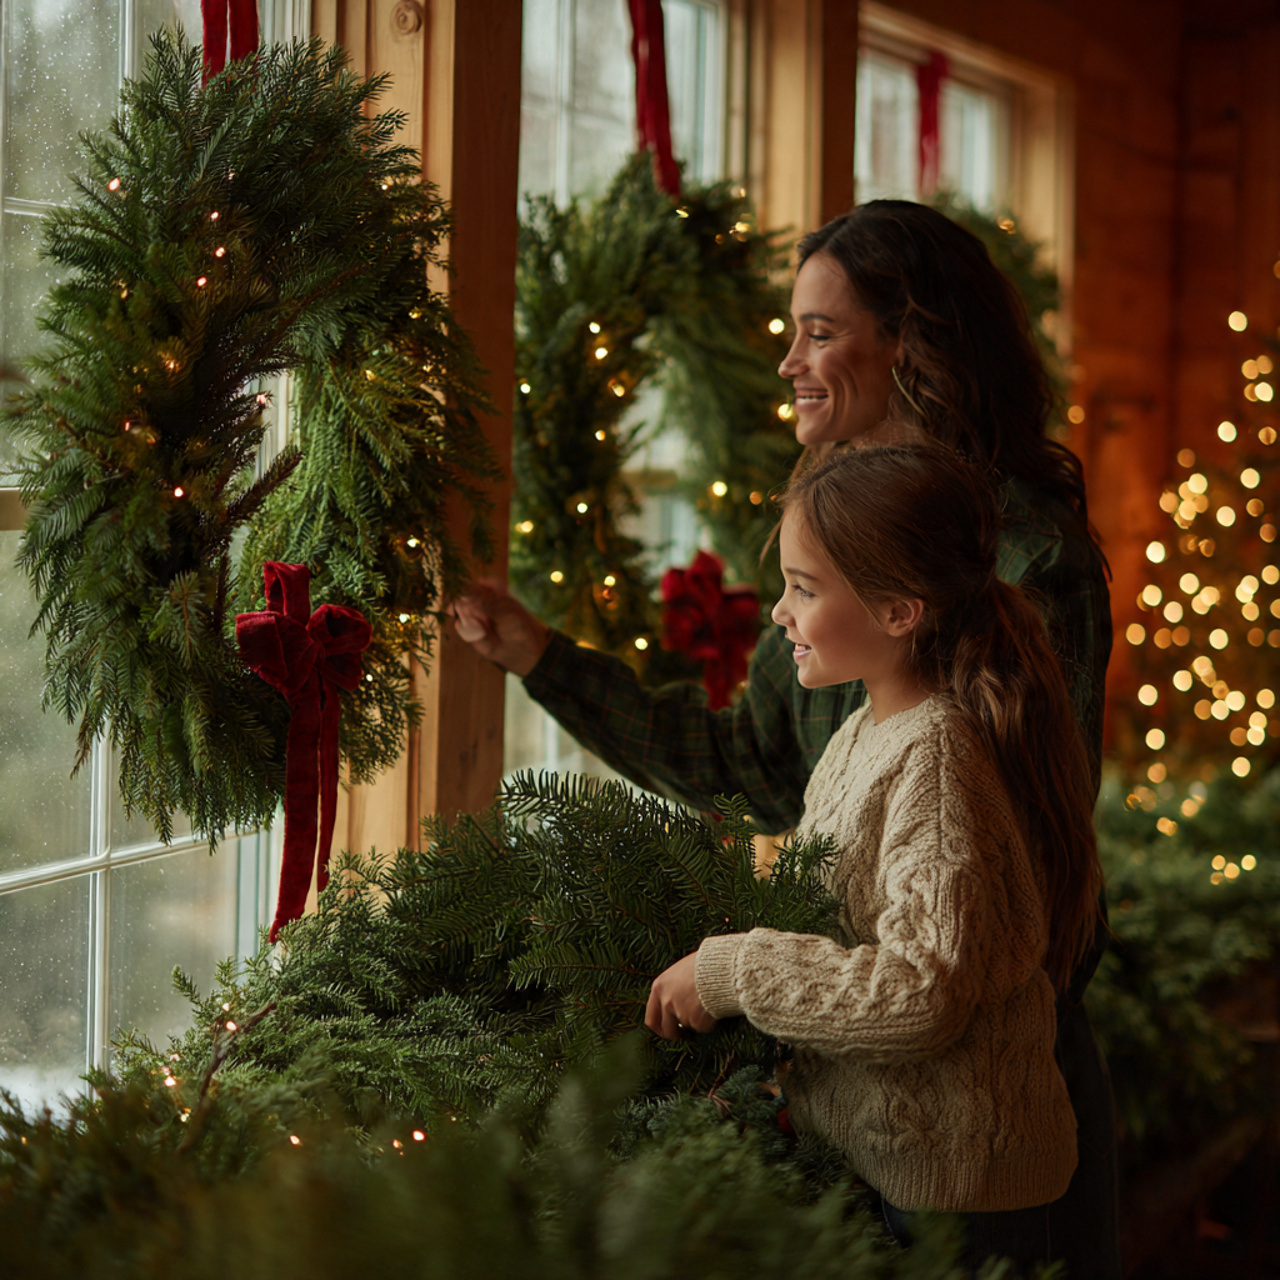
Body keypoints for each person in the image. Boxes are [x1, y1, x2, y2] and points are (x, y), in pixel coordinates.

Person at [452, 201, 1120, 1276]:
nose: (787, 359)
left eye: (818, 330)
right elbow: (756, 766)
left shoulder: (1016, 556)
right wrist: (544, 659)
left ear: (914, 344)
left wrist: (762, 972)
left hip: (977, 1108)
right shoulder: (833, 534)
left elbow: (989, 899)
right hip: (863, 1093)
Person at [645, 444, 1104, 1273]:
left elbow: (921, 993)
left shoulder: (934, 762)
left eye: (805, 589)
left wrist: (734, 971)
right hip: (886, 1167)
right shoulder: (866, 729)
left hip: (955, 1198)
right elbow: (843, 913)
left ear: (900, 610)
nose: (779, 613)